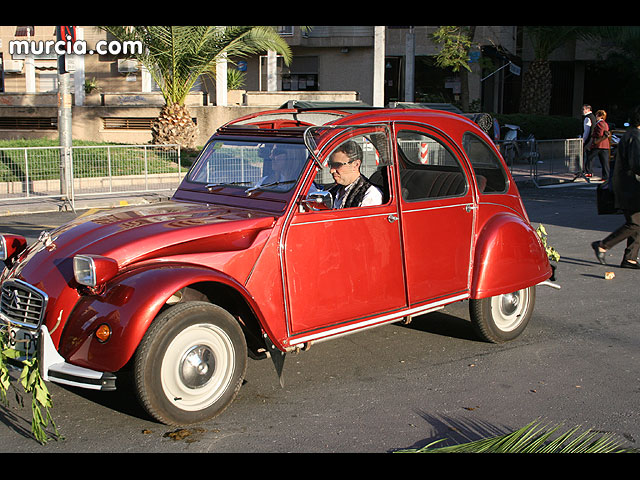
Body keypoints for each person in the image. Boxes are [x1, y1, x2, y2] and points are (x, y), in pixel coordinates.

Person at [592, 105, 640, 269]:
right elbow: (636, 164)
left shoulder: (631, 134)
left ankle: (630, 258)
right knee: (635, 223)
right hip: (631, 187)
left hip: (627, 185)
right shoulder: (635, 136)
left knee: (638, 221)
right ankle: (603, 245)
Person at [327, 141, 383, 208]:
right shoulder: (334, 191)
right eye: (331, 165)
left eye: (337, 165)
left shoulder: (371, 194)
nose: (331, 171)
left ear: (356, 165)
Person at [586, 109, 611, 180]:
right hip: (605, 145)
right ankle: (606, 176)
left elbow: (599, 133)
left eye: (596, 115)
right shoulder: (605, 123)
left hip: (598, 144)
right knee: (604, 162)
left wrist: (593, 135)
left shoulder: (600, 123)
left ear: (599, 116)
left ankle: (588, 172)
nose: (596, 117)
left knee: (590, 158)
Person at [581, 104, 597, 178]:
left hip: (588, 139)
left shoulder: (587, 118)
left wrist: (583, 140)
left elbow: (586, 131)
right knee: (589, 155)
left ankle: (587, 171)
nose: (582, 111)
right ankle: (588, 171)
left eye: (583, 109)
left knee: (586, 155)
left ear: (588, 109)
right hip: (592, 139)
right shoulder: (593, 117)